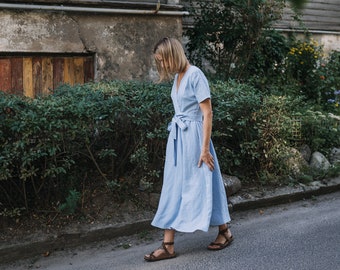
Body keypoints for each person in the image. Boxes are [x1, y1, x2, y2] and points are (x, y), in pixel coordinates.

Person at [144, 37, 233, 262]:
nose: (162, 65)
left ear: (173, 55)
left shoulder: (195, 75)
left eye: (163, 60)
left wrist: (204, 149)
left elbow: (207, 113)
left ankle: (224, 231)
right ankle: (169, 244)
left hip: (195, 139)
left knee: (203, 184)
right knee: (174, 187)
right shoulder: (177, 78)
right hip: (178, 140)